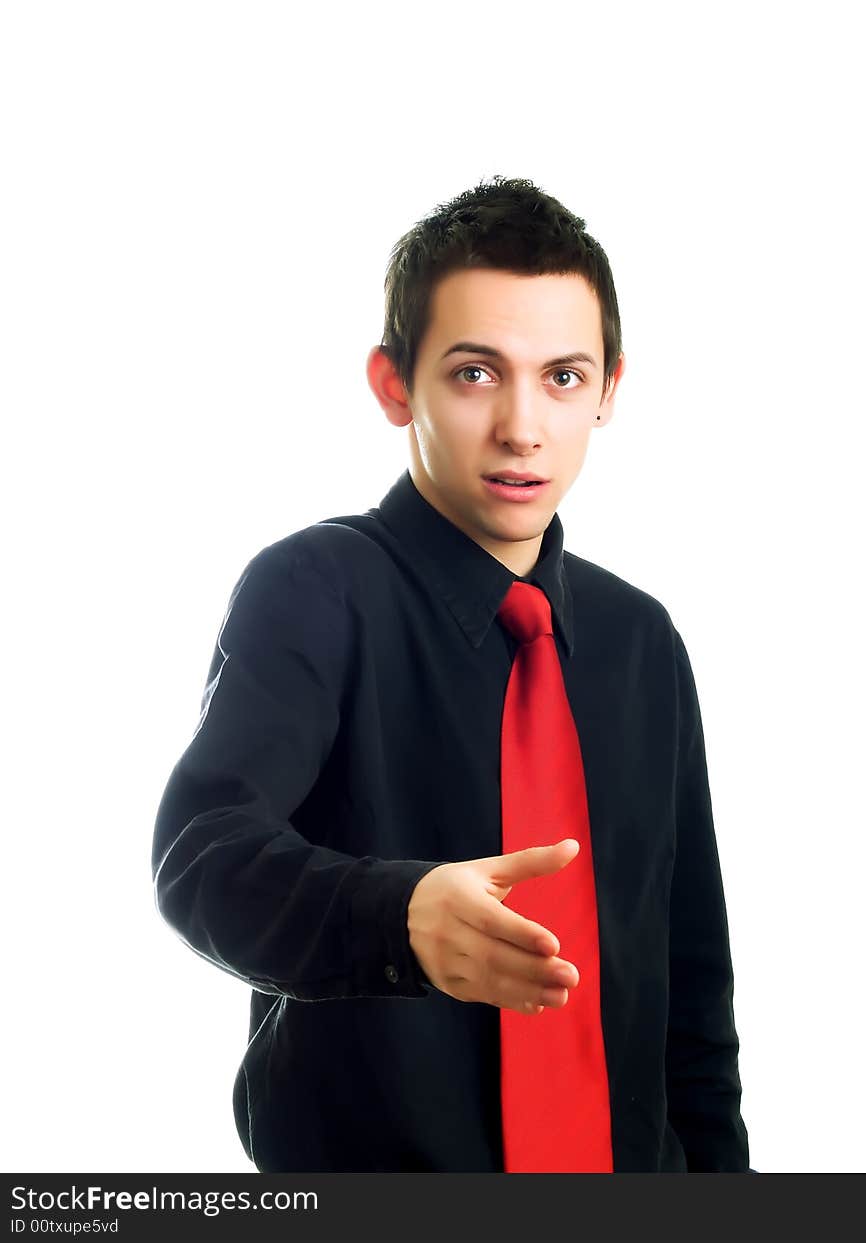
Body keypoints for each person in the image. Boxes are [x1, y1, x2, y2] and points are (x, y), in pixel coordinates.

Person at [151, 175, 752, 1173]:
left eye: (562, 376)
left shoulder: (640, 639)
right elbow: (203, 852)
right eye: (476, 374)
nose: (523, 427)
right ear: (396, 385)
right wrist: (399, 917)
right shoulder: (314, 587)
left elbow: (689, 994)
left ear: (607, 389)